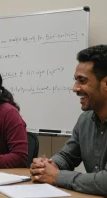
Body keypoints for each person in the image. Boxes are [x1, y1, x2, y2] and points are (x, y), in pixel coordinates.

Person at [30, 45, 107, 196]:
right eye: (75, 80)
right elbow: (67, 156)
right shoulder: (85, 120)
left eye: (82, 81)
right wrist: (46, 166)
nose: (75, 88)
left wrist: (57, 176)